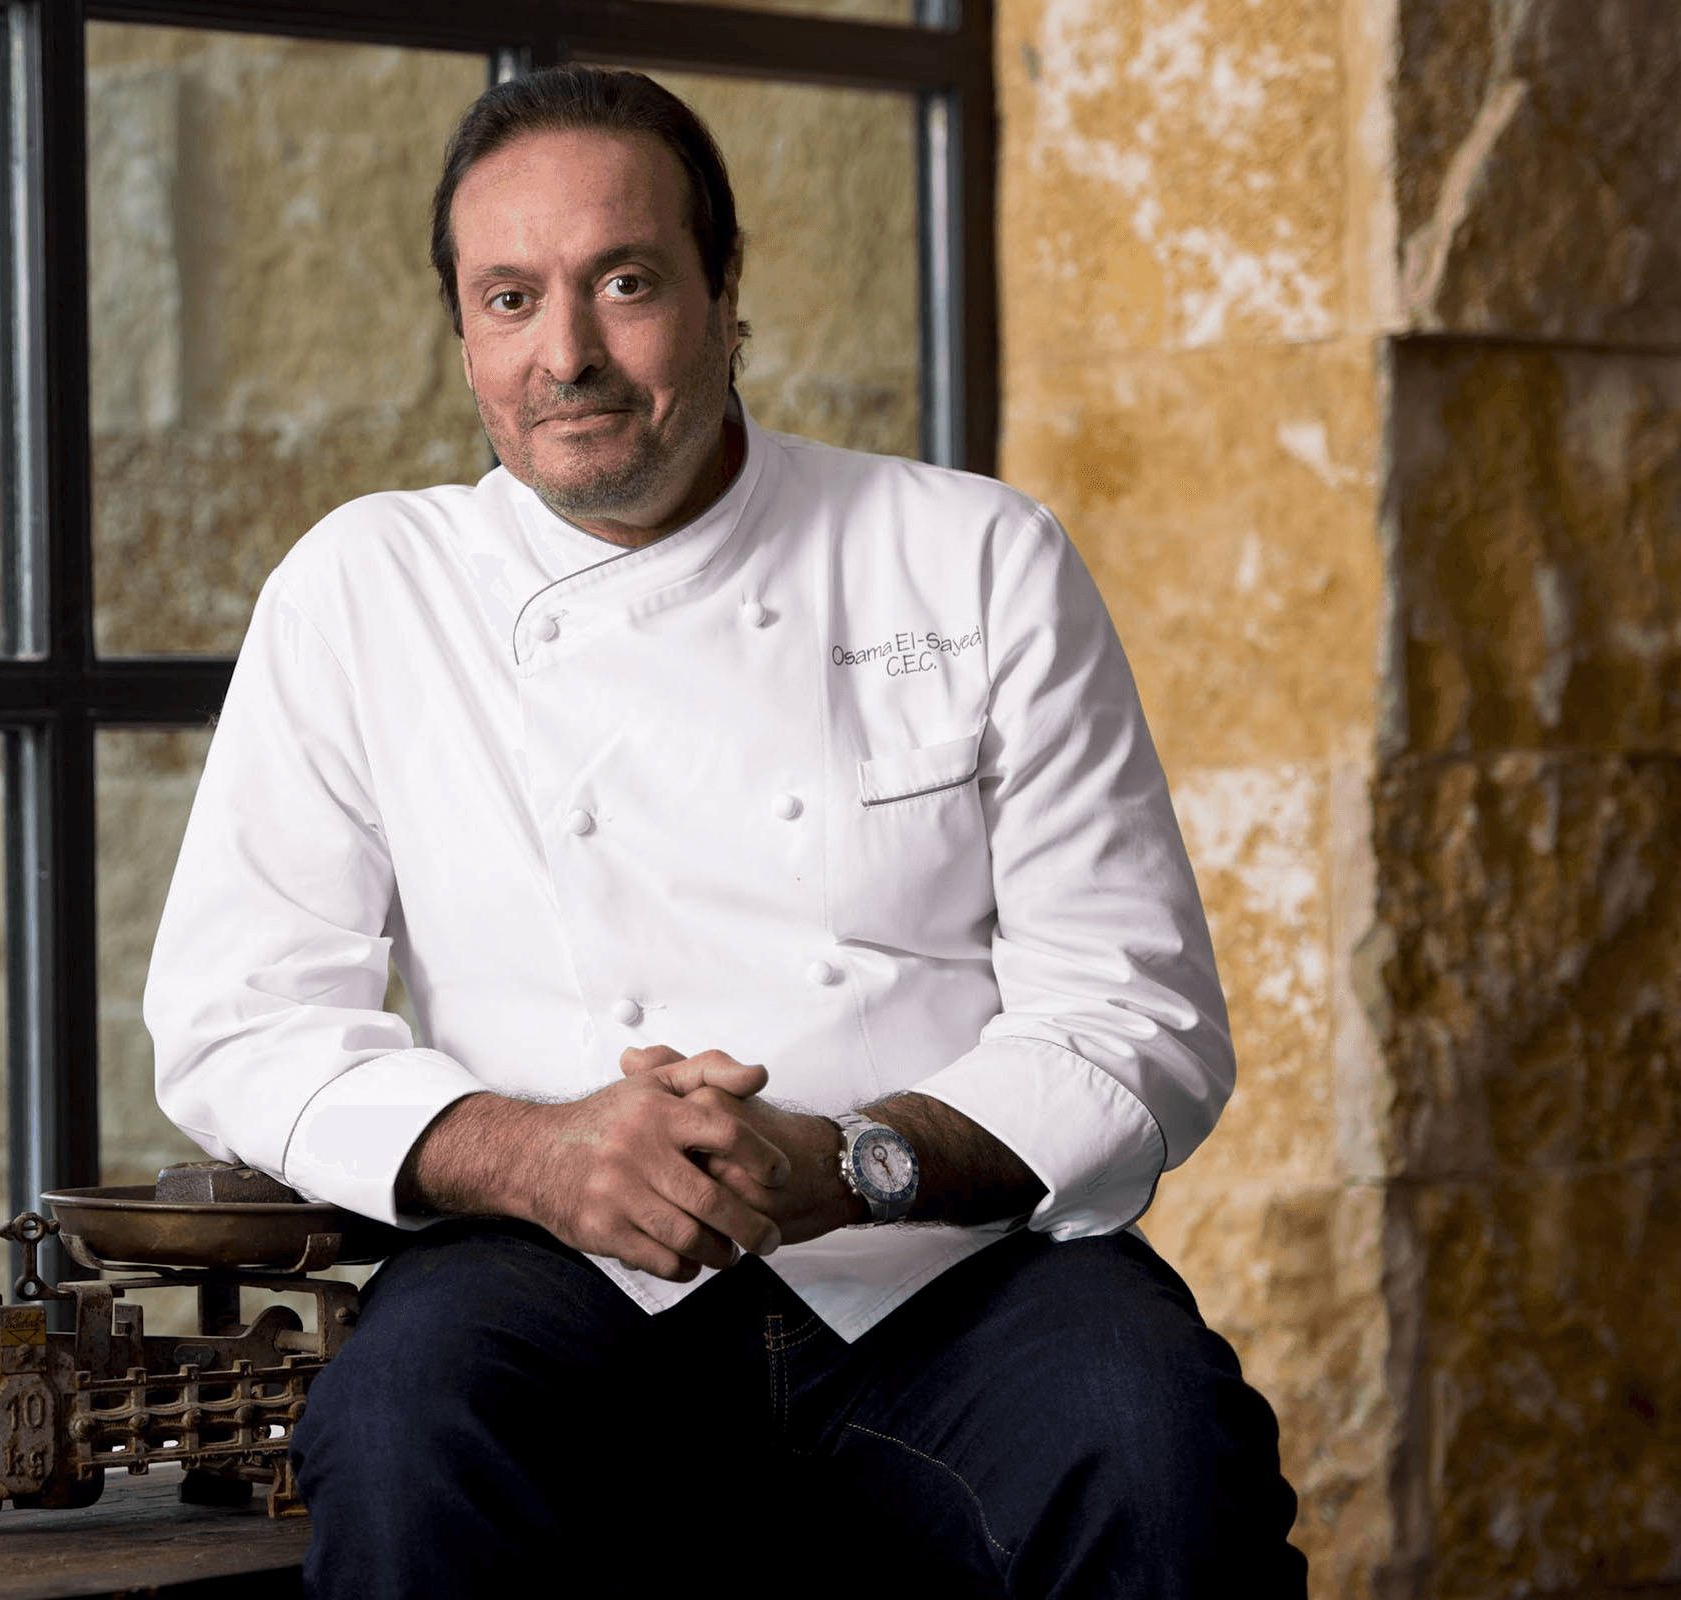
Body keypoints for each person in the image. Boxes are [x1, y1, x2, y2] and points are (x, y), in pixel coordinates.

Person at [144, 65, 1306, 1597]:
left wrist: (853, 1164)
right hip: (547, 1273)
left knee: (1161, 1454)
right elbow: (236, 1020)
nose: (567, 354)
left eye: (625, 284)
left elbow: (1136, 1015)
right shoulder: (364, 589)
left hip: (945, 1271)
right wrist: (536, 1153)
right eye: (510, 300)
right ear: (464, 335)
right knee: (405, 1429)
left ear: (725, 292)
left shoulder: (970, 556)